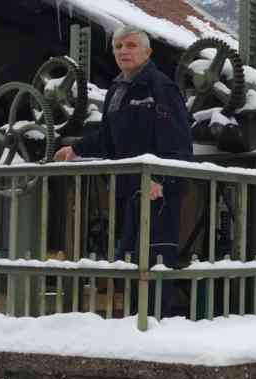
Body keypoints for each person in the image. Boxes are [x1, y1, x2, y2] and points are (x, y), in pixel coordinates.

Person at [54, 26, 193, 315]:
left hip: (158, 192)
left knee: (155, 260)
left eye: (130, 45)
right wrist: (76, 149)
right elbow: (107, 137)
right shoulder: (117, 90)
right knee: (130, 259)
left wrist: (161, 179)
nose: (123, 51)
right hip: (129, 188)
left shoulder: (161, 88)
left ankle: (155, 324)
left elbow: (178, 143)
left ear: (147, 52)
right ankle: (135, 322)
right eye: (118, 46)